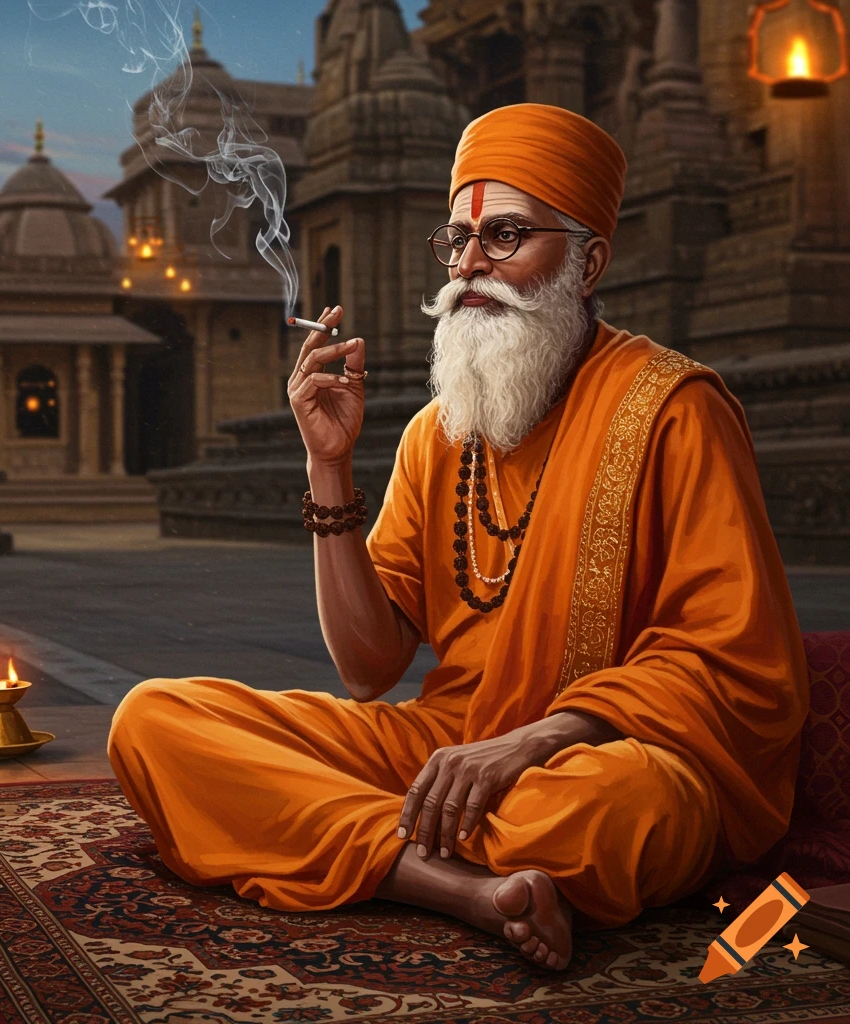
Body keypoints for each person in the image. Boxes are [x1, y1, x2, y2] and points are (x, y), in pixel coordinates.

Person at [108, 103, 809, 971]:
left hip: (604, 757)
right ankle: (465, 888)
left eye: (507, 236)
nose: (472, 264)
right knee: (155, 721)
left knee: (603, 814)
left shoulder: (675, 410)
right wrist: (327, 465)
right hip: (446, 746)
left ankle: (370, 845)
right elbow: (369, 668)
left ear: (588, 262)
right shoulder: (439, 433)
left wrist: (535, 740)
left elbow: (739, 663)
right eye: (457, 240)